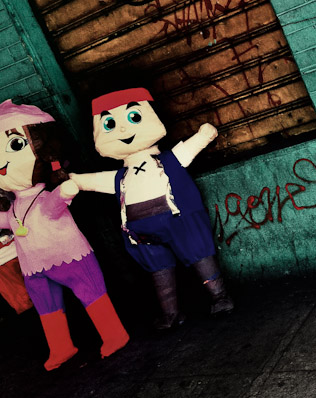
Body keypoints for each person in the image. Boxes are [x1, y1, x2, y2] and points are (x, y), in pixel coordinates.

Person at [69, 87, 233, 330]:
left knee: (200, 257)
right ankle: (171, 314)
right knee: (159, 270)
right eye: (110, 124)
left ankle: (220, 298)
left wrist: (203, 136)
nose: (123, 130)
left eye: (134, 117)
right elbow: (95, 181)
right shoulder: (120, 176)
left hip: (179, 221)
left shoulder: (167, 160)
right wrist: (76, 180)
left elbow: (189, 148)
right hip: (142, 235)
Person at [0, 100, 129, 370]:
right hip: (33, 267)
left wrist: (64, 193)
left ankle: (114, 334)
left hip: (70, 256)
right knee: (47, 309)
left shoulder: (43, 195)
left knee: (92, 295)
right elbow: (8, 222)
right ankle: (61, 347)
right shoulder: (15, 205)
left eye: (15, 145)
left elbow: (53, 206)